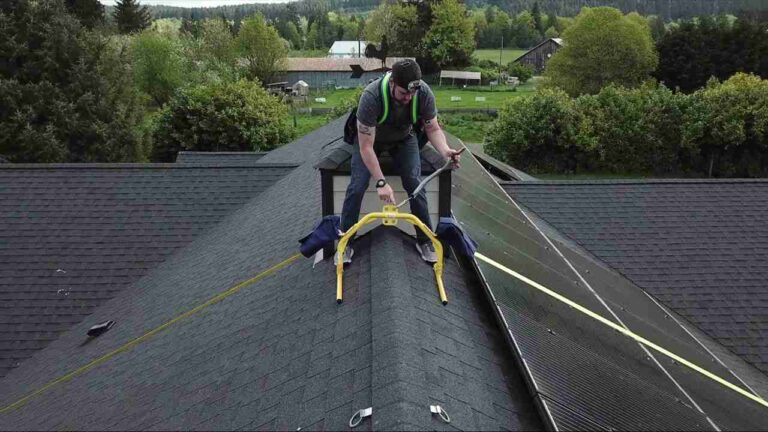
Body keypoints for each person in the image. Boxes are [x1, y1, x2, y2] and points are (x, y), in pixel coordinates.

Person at [336, 59, 462, 265]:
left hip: (403, 137)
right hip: (371, 141)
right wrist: (381, 182)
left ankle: (425, 240)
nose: (408, 98)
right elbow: (365, 147)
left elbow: (432, 128)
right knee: (357, 185)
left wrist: (446, 151)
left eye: (412, 93)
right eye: (404, 93)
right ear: (393, 83)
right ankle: (345, 242)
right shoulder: (371, 97)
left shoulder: (423, 93)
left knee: (415, 182)